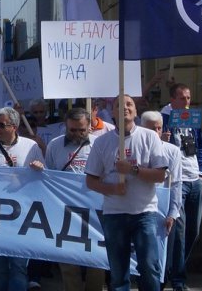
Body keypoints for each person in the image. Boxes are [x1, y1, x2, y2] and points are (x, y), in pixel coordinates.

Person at [85, 95, 168, 291]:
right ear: (112, 112)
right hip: (114, 214)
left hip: (144, 213)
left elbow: (160, 175)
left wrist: (133, 170)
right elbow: (91, 180)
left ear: (136, 111)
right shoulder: (101, 143)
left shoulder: (149, 137)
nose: (125, 108)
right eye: (119, 105)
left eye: (129, 104)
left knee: (149, 267)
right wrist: (112, 189)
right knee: (118, 271)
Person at [0, 106, 45, 291]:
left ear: (14, 126)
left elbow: (44, 178)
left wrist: (39, 167)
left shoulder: (31, 147)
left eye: (1, 125)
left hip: (22, 214)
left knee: (19, 265)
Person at [45, 107, 103, 291]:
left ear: (89, 127)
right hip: (65, 210)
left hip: (94, 211)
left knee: (97, 257)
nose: (77, 134)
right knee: (68, 260)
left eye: (81, 130)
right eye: (72, 130)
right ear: (65, 126)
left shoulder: (99, 144)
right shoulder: (54, 145)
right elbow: (49, 176)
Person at [161, 83, 202, 291]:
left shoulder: (192, 118)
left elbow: (200, 145)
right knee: (179, 231)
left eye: (188, 98)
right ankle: (177, 279)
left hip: (194, 177)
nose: (187, 102)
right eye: (182, 98)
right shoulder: (164, 119)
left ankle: (174, 267)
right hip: (176, 181)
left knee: (193, 230)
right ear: (172, 100)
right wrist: (163, 138)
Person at [141, 110, 183, 289]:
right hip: (140, 208)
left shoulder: (172, 151)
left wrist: (173, 213)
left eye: (159, 128)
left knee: (161, 256)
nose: (156, 133)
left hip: (163, 211)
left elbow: (176, 184)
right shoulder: (135, 147)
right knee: (143, 258)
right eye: (152, 129)